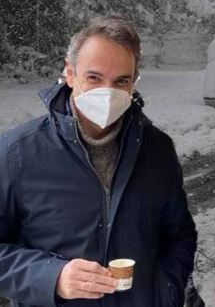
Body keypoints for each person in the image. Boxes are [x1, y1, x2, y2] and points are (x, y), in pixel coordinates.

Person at [0, 16, 197, 307]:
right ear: (70, 73)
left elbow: (179, 235)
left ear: (133, 83)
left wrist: (166, 291)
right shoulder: (18, 152)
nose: (108, 91)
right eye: (94, 77)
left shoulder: (157, 150)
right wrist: (51, 277)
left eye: (121, 81)